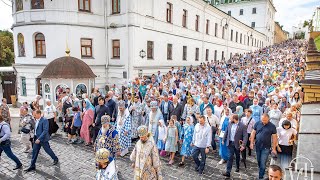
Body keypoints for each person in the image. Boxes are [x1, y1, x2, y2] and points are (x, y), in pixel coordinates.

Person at [250, 113, 277, 179]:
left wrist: (274, 148)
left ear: (268, 119)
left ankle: (260, 176)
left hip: (266, 147)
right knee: (259, 160)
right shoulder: (257, 123)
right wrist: (251, 143)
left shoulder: (272, 126)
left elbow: (274, 138)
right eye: (262, 120)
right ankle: (261, 170)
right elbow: (253, 133)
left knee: (263, 162)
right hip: (257, 145)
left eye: (265, 120)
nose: (263, 121)